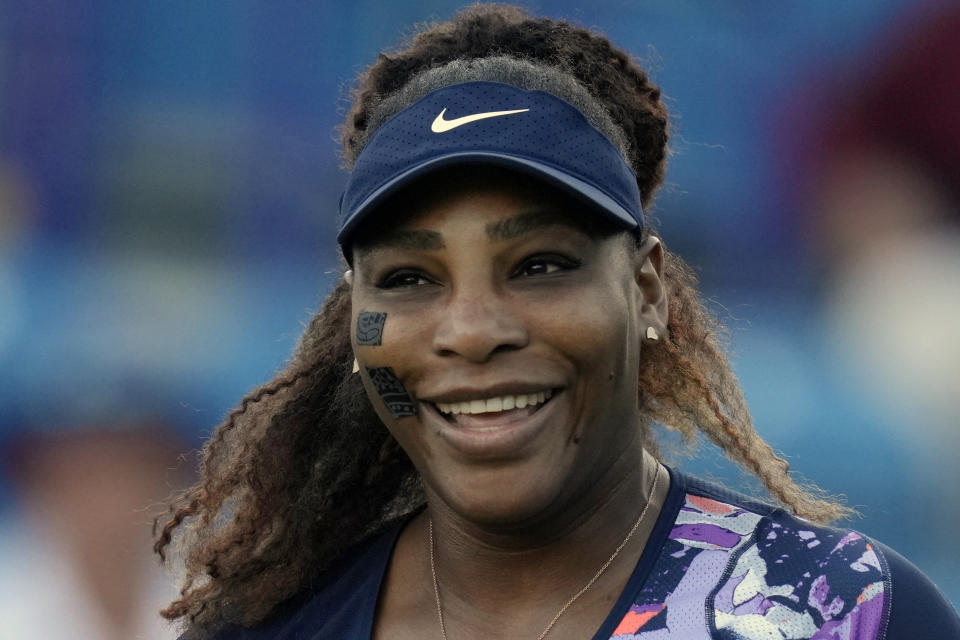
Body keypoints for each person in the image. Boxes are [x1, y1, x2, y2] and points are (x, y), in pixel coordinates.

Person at [154, 5, 960, 639]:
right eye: (407, 278)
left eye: (540, 266)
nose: (471, 330)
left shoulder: (844, 614)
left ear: (647, 290)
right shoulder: (267, 630)